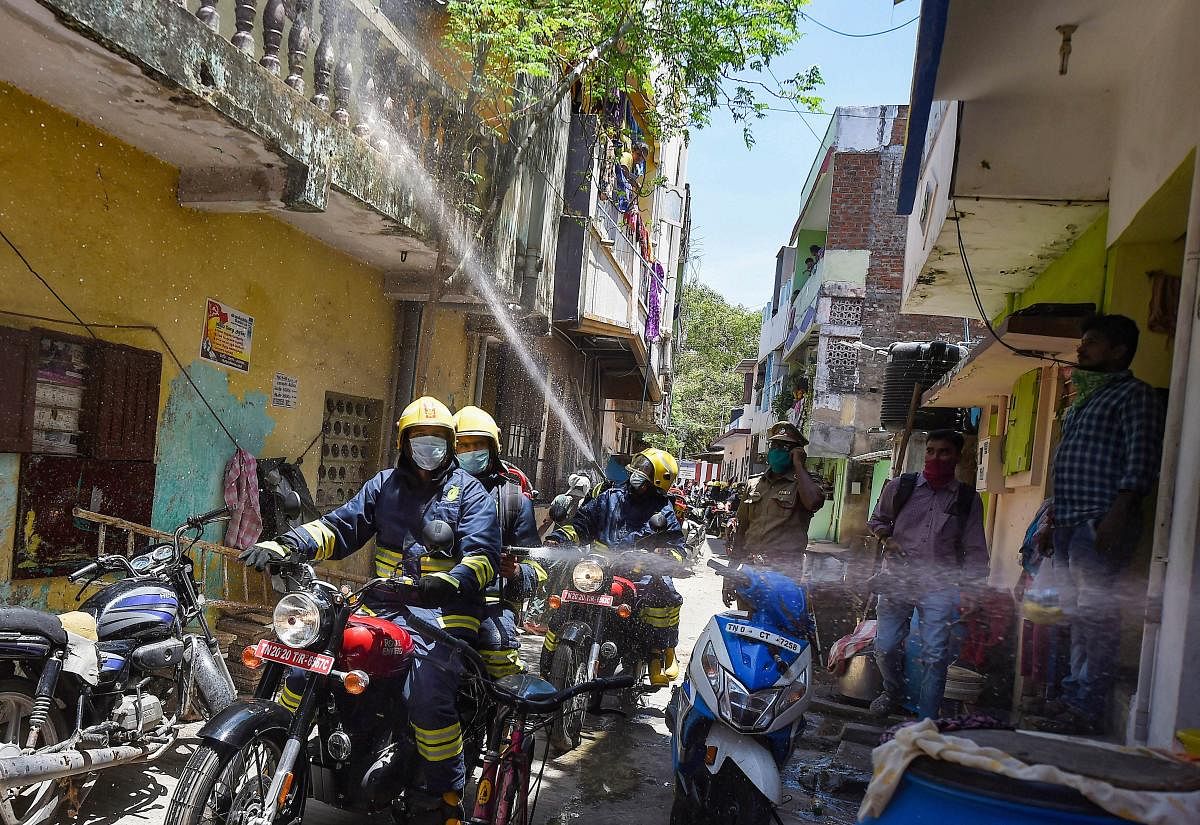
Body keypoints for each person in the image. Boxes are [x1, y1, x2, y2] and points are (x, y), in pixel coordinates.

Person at [238, 396, 499, 825]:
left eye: (437, 439)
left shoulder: (470, 493)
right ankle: (280, 753)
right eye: (419, 438)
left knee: (428, 693)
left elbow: (483, 556)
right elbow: (340, 526)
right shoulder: (384, 485)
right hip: (384, 606)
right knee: (309, 664)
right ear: (404, 441)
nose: (428, 446)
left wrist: (446, 582)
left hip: (447, 611)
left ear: (450, 443)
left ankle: (444, 793)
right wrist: (286, 543)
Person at [1046, 313, 1163, 732]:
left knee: (1097, 615)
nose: (1081, 349)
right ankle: (1075, 693)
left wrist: (1120, 512)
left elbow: (1142, 460)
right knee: (1076, 615)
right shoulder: (1084, 400)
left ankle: (1087, 705)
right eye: (1083, 342)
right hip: (1068, 522)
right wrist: (1050, 521)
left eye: (1092, 342)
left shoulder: (1134, 396)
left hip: (1100, 522)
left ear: (1118, 351)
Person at [866, 429, 988, 720]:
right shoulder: (900, 487)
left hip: (939, 587)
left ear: (957, 456)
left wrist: (973, 591)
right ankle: (892, 691)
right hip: (896, 581)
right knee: (885, 647)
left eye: (943, 452)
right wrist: (887, 538)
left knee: (935, 656)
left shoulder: (967, 499)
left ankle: (927, 721)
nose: (935, 457)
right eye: (931, 451)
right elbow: (877, 520)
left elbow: (976, 550)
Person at [542, 447, 686, 687]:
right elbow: (582, 524)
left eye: (645, 471)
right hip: (598, 569)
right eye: (638, 467)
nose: (637, 473)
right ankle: (551, 655)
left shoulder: (662, 509)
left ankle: (658, 651)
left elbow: (677, 547)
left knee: (664, 595)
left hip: (637, 575)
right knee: (566, 599)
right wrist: (559, 538)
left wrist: (665, 556)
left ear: (657, 481)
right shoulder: (609, 496)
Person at [452, 406, 547, 678]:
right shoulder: (436, 491)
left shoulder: (513, 500)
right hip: (438, 599)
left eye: (478, 445)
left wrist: (517, 573)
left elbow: (537, 569)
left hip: (492, 603)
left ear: (493, 448)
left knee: (499, 653)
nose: (470, 452)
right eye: (463, 446)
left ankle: (502, 716)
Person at [726, 422, 825, 594]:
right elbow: (741, 529)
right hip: (751, 569)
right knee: (748, 619)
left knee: (779, 620)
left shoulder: (805, 483)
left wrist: (799, 466)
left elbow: (814, 502)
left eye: (784, 447)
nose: (776, 451)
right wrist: (730, 573)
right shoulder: (753, 484)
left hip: (784, 572)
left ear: (797, 452)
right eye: (774, 445)